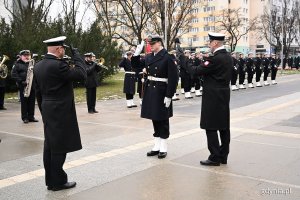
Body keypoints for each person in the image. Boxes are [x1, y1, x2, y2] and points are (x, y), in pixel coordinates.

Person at [34, 36, 86, 191]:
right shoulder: (59, 66)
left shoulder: (39, 65)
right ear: (59, 49)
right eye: (63, 48)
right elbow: (81, 75)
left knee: (49, 145)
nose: (64, 51)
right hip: (60, 109)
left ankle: (51, 180)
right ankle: (58, 182)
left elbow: (37, 91)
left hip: (48, 107)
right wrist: (77, 57)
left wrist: (44, 111)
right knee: (59, 146)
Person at [188, 32, 232, 166]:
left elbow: (195, 71)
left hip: (213, 97)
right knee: (224, 127)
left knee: (211, 126)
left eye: (210, 42)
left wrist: (183, 60)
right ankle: (223, 156)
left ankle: (214, 157)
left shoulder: (215, 59)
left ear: (215, 43)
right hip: (224, 95)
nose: (209, 44)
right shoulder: (228, 57)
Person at [131, 35, 178, 159]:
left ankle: (163, 147)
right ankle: (156, 146)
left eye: (152, 44)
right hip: (151, 90)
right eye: (149, 44)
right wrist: (137, 52)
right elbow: (136, 65)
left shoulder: (168, 57)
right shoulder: (149, 57)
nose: (150, 46)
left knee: (163, 119)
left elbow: (173, 78)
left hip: (162, 91)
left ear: (159, 43)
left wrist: (169, 95)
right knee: (154, 118)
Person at [11, 50, 38, 123]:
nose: (27, 57)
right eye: (25, 55)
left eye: (28, 55)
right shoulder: (17, 64)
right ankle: (25, 117)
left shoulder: (32, 63)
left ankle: (31, 117)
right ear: (20, 56)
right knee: (24, 103)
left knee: (32, 102)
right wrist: (21, 81)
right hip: (23, 86)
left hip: (32, 85)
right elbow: (13, 75)